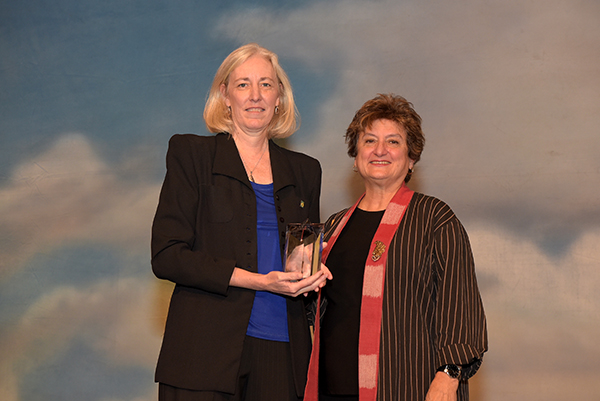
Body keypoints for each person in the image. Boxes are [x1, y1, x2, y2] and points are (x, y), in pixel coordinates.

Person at [151, 43, 332, 401]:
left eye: (266, 84)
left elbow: (301, 254)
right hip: (202, 355)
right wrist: (259, 282)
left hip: (284, 355)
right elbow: (167, 255)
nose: (255, 96)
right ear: (225, 95)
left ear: (279, 97)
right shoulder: (191, 155)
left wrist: (313, 273)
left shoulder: (306, 171)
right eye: (243, 84)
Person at [304, 94, 488, 401]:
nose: (379, 150)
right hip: (332, 390)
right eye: (369, 140)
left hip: (408, 387)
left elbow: (460, 305)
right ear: (355, 154)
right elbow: (316, 313)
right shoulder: (333, 228)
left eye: (393, 142)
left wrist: (449, 375)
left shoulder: (434, 218)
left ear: (411, 157)